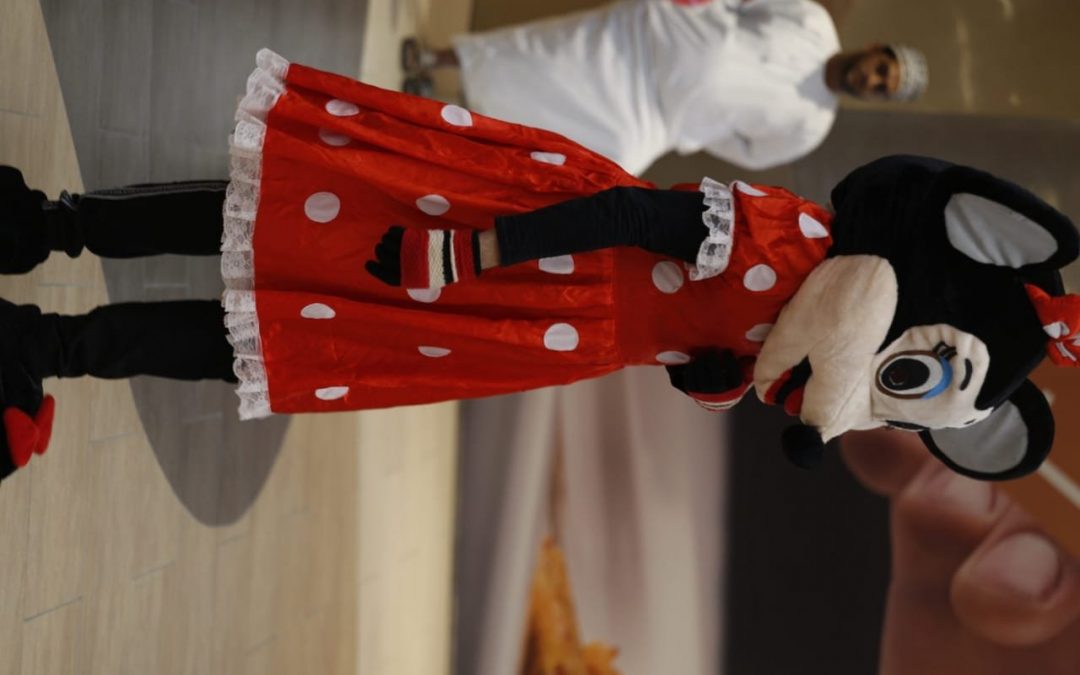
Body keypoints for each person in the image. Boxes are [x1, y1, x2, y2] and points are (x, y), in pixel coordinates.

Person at [0, 50, 1071, 489]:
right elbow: (632, 213)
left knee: (298, 343)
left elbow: (694, 355)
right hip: (523, 240)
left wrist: (717, 380)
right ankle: (48, 229)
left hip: (539, 327)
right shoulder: (790, 247)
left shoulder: (799, 336)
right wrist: (470, 249)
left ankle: (51, 345)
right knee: (288, 218)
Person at [401, 0, 929, 174]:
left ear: (876, 98)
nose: (873, 79)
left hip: (654, 119)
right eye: (882, 68)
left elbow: (747, 153)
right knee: (547, 52)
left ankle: (456, 123)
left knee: (608, 161)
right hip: (649, 42)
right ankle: (435, 58)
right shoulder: (813, 20)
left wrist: (696, 111)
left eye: (882, 87)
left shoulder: (812, 126)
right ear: (875, 49)